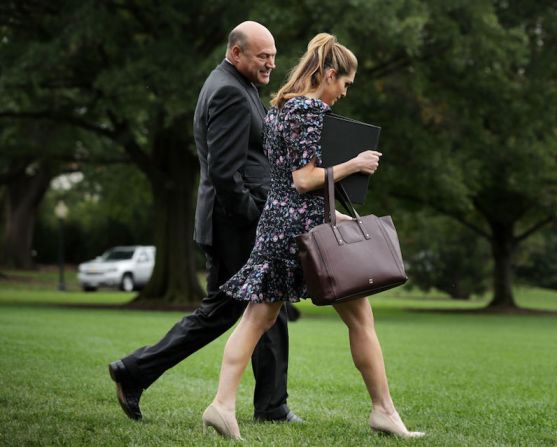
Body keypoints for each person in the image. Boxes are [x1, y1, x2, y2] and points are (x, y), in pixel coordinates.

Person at [201, 33, 425, 440]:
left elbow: (287, 187)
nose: (343, 92)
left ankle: (221, 405)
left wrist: (337, 215)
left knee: (257, 318)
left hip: (279, 223)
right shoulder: (308, 111)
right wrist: (354, 163)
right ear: (329, 74)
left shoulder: (280, 109)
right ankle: (384, 412)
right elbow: (304, 180)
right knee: (360, 319)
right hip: (300, 232)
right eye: (345, 83)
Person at [108, 21, 302, 424]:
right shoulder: (230, 92)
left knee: (250, 309)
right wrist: (258, 217)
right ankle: (270, 407)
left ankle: (269, 404)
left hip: (234, 222)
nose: (271, 64)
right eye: (262, 56)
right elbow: (225, 174)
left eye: (273, 56)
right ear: (236, 53)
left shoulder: (238, 84)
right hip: (234, 223)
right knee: (247, 308)